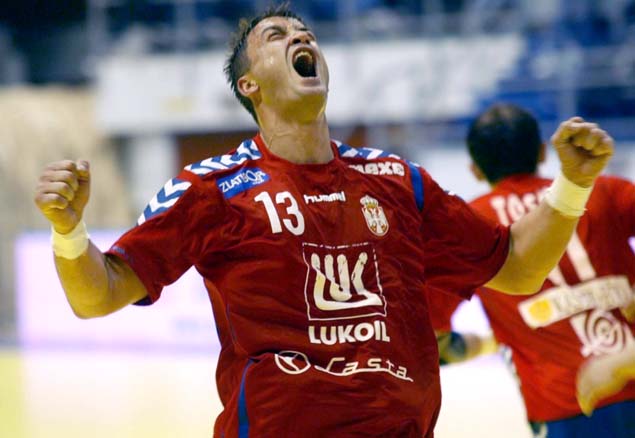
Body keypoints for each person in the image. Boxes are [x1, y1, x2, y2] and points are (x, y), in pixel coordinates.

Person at [34, 5, 614, 437]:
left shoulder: (397, 180)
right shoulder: (212, 189)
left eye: (305, 32)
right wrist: (68, 230)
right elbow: (98, 294)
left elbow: (517, 268)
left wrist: (572, 185)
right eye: (277, 36)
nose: (301, 37)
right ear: (249, 85)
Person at [430, 103, 635, 438]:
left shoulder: (468, 225)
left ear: (475, 170)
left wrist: (490, 342)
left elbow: (434, 340)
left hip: (569, 407)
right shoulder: (606, 190)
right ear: (541, 152)